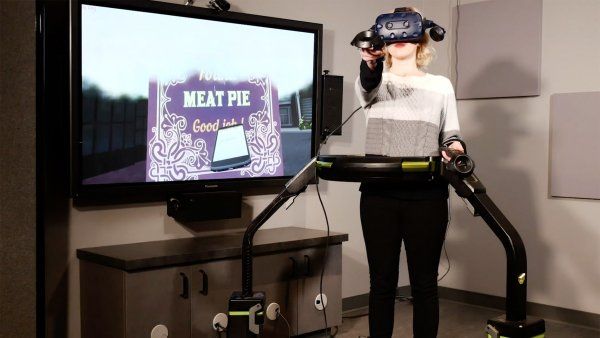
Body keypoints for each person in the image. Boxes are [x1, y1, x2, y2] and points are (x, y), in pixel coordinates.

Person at [355, 7, 465, 338]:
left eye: (408, 29)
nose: (400, 37)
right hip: (379, 196)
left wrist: (456, 149)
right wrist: (370, 61)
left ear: (420, 37)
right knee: (382, 284)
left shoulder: (441, 85)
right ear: (383, 41)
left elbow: (452, 133)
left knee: (425, 284)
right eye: (392, 31)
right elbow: (367, 82)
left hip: (427, 196)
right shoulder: (373, 80)